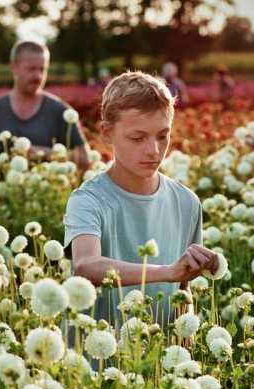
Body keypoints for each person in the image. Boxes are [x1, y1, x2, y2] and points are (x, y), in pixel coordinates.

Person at [63, 72, 218, 329]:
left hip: (158, 362)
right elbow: (86, 265)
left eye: (162, 136)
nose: (153, 151)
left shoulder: (186, 202)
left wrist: (185, 341)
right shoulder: (88, 200)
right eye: (137, 138)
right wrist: (167, 272)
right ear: (107, 133)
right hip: (96, 360)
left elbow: (182, 288)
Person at [0, 40, 90, 179]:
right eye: (31, 69)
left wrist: (44, 153)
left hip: (48, 195)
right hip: (3, 195)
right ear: (14, 67)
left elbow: (85, 159)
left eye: (42, 69)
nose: (38, 76)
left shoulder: (61, 111)